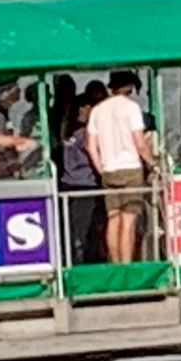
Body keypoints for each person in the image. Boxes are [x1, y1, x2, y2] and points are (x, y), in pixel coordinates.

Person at [86, 71, 155, 264]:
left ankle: (115, 265)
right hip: (130, 169)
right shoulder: (131, 108)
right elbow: (140, 143)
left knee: (113, 219)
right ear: (130, 87)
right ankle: (126, 266)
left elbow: (90, 146)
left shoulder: (97, 110)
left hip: (109, 170)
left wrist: (101, 168)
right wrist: (152, 163)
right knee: (128, 222)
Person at [60, 86, 106, 264]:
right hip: (86, 184)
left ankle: (74, 257)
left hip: (69, 182)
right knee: (86, 228)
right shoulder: (85, 133)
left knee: (74, 225)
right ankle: (83, 260)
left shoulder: (67, 130)